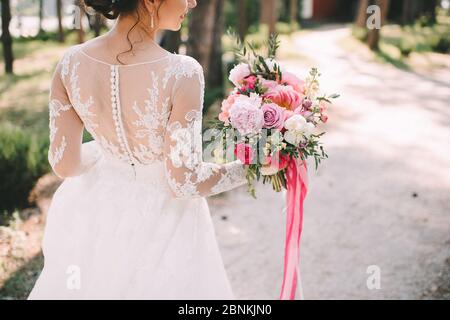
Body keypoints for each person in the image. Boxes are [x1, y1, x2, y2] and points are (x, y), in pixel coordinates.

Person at [28, 0, 247, 299]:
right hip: (165, 220)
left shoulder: (69, 64)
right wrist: (249, 168)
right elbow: (184, 181)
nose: (193, 2)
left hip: (97, 213)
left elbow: (65, 165)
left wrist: (108, 151)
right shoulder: (182, 73)